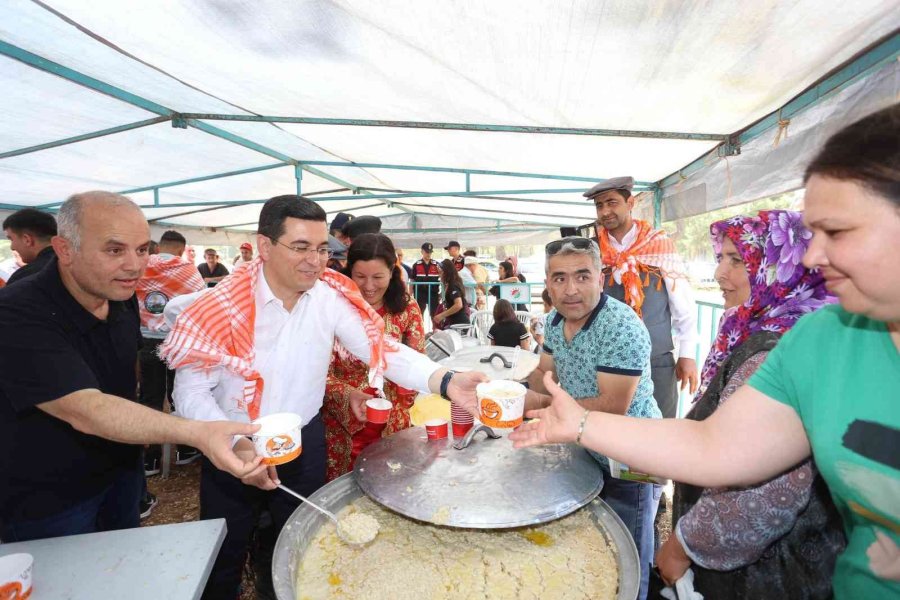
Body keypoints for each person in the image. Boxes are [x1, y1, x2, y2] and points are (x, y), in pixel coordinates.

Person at [509, 105, 900, 598]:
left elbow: (765, 496)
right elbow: (716, 446)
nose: (812, 257)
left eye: (838, 232)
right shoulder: (822, 340)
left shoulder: (657, 285)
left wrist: (688, 540)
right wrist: (578, 424)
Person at [160, 195, 487, 599]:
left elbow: (380, 348)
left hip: (304, 441)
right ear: (264, 246)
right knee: (224, 553)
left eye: (321, 249)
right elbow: (190, 391)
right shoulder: (216, 307)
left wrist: (445, 380)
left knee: (301, 543)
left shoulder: (328, 296)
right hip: (231, 445)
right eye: (300, 247)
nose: (315, 261)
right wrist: (235, 443)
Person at [0, 191, 265, 544]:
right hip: (49, 494)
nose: (134, 265)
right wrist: (197, 431)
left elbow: (128, 374)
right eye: (114, 250)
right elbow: (86, 409)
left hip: (122, 473)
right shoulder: (18, 311)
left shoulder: (120, 295)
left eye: (142, 250)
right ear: (65, 250)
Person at [654, 210, 844, 598]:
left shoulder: (775, 354)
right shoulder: (761, 330)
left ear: (782, 269)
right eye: (721, 258)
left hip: (762, 577)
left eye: (737, 260)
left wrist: (680, 548)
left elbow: (753, 497)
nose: (720, 274)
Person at [517, 236, 662, 599]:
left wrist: (534, 404)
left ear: (601, 277)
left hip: (632, 457)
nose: (571, 290)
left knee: (629, 551)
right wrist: (510, 391)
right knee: (594, 543)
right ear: (547, 283)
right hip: (585, 448)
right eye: (559, 278)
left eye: (582, 276)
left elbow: (613, 406)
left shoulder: (620, 327)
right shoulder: (553, 321)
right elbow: (544, 376)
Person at [587, 176, 699, 418]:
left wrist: (687, 355)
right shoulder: (591, 251)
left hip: (656, 358)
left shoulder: (657, 244)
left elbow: (682, 302)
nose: (605, 211)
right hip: (605, 360)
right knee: (609, 428)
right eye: (599, 205)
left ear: (630, 203)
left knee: (660, 431)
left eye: (611, 202)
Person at [323, 233, 426, 480]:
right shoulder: (332, 306)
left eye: (378, 277)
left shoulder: (407, 307)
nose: (369, 286)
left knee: (391, 485)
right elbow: (317, 373)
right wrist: (348, 394)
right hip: (343, 424)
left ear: (393, 271)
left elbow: (418, 358)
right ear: (349, 272)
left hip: (393, 421)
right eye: (360, 276)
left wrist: (401, 395)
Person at [135, 229, 206, 493]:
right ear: (180, 248)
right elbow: (200, 305)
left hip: (146, 340)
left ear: (160, 246)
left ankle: (150, 458)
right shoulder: (188, 270)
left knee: (150, 399)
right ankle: (185, 449)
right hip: (178, 342)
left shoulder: (142, 265)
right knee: (181, 396)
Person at [2, 207, 57, 286]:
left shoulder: (27, 276)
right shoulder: (75, 265)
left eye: (11, 239)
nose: (12, 247)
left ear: (27, 240)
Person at [432, 258, 470, 329]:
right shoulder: (449, 284)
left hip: (459, 325)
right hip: (453, 323)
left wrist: (442, 315)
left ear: (446, 272)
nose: (439, 275)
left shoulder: (453, 285)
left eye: (440, 272)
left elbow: (458, 305)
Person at [412, 242, 441, 318]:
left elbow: (442, 278)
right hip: (420, 293)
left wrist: (442, 293)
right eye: (427, 252)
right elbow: (412, 280)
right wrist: (410, 294)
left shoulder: (437, 265)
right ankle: (420, 330)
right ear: (422, 252)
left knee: (435, 314)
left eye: (430, 252)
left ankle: (435, 329)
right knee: (419, 314)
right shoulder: (416, 265)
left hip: (433, 293)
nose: (428, 254)